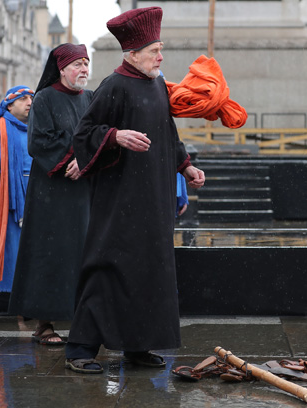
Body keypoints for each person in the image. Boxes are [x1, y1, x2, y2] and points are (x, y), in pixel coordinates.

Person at [64, 6, 205, 374]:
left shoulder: (156, 83)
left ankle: (137, 347)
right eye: (154, 50)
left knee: (148, 271)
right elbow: (84, 133)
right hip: (120, 199)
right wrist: (114, 136)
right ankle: (80, 348)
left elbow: (167, 133)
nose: (161, 56)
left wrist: (186, 165)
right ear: (132, 54)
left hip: (154, 198)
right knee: (108, 267)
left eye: (160, 49)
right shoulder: (114, 85)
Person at [8, 44, 93, 345]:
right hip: (52, 194)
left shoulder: (90, 99)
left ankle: (86, 322)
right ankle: (44, 325)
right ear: (61, 69)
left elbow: (97, 135)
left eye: (86, 63)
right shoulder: (44, 98)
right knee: (50, 254)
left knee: (83, 254)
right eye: (77, 64)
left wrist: (85, 159)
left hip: (83, 190)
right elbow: (39, 141)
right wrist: (73, 155)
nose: (83, 69)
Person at [0, 86, 34, 311]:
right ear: (10, 105)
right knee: (10, 246)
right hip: (7, 200)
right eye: (23, 99)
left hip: (33, 198)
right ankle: (6, 297)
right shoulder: (1, 129)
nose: (29, 102)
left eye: (31, 98)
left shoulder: (35, 129)